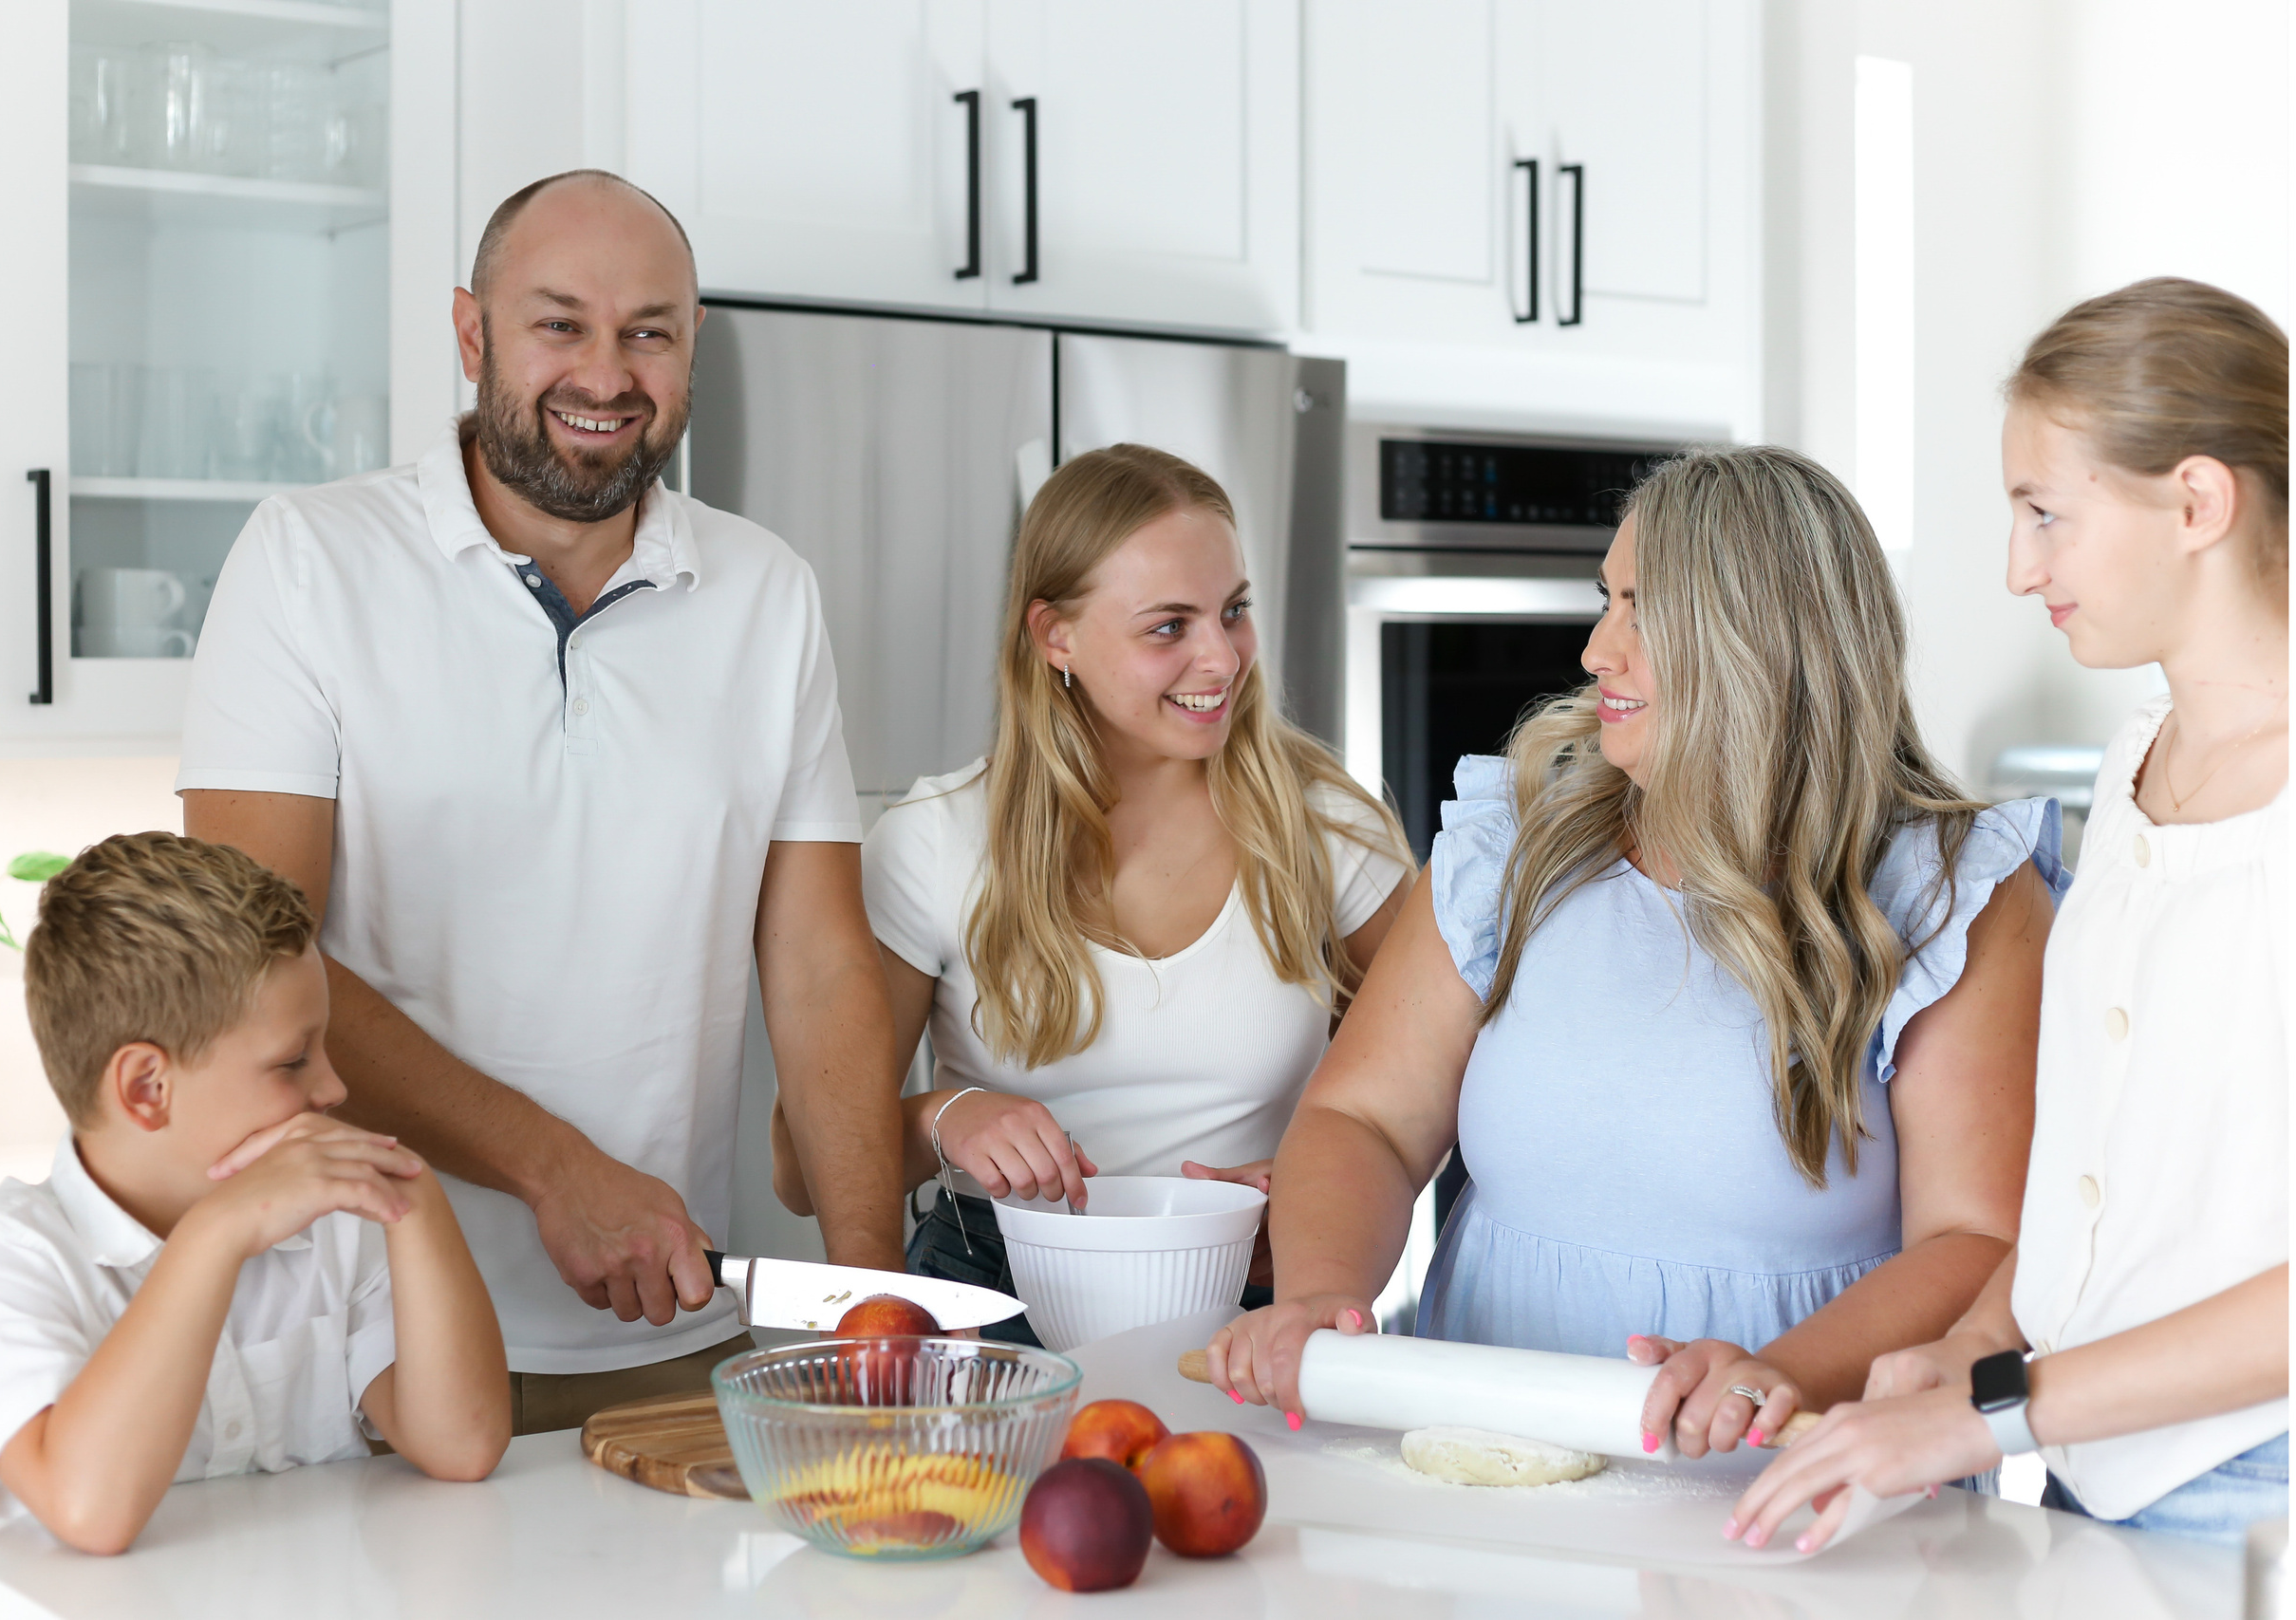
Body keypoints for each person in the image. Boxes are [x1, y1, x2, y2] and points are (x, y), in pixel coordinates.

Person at [178, 169, 904, 1435]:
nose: (607, 373)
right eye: (560, 323)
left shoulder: (766, 592)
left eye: (650, 332)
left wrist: (873, 1300)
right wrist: (557, 1168)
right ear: (474, 334)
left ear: (693, 351)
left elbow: (823, 970)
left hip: (675, 1325)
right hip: (371, 1340)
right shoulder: (310, 561)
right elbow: (251, 968)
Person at [1205, 445, 2066, 1459]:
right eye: (1605, 600)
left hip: (1788, 1477)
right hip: (1485, 1453)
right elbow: (1366, 1121)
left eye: (1639, 610)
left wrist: (1779, 1372)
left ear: (1761, 643)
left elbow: (1978, 1242)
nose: (1595, 650)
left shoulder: (1951, 890)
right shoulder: (1515, 849)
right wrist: (1318, 1299)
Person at [1729, 279, 2287, 1552]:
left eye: (2049, 514)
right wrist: (1974, 1348)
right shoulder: (2140, 754)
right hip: (2102, 1484)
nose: (2017, 565)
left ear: (2197, 501)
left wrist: (1995, 1416)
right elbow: (2109, 1167)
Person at [771, 445, 1413, 1340]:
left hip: (1251, 1301)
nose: (1222, 659)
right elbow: (798, 1169)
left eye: (1234, 612)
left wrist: (1319, 1191)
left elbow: (1436, 1097)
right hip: (987, 1302)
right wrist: (946, 1118)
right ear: (1054, 635)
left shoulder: (1331, 831)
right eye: (1168, 627)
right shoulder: (934, 842)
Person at [0, 834, 509, 1555]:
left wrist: (411, 1195)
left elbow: (464, 1443)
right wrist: (214, 1234)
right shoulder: (0, 1260)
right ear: (147, 1089)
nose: (334, 1089)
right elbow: (88, 1509)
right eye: (293, 1060)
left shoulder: (338, 1222)